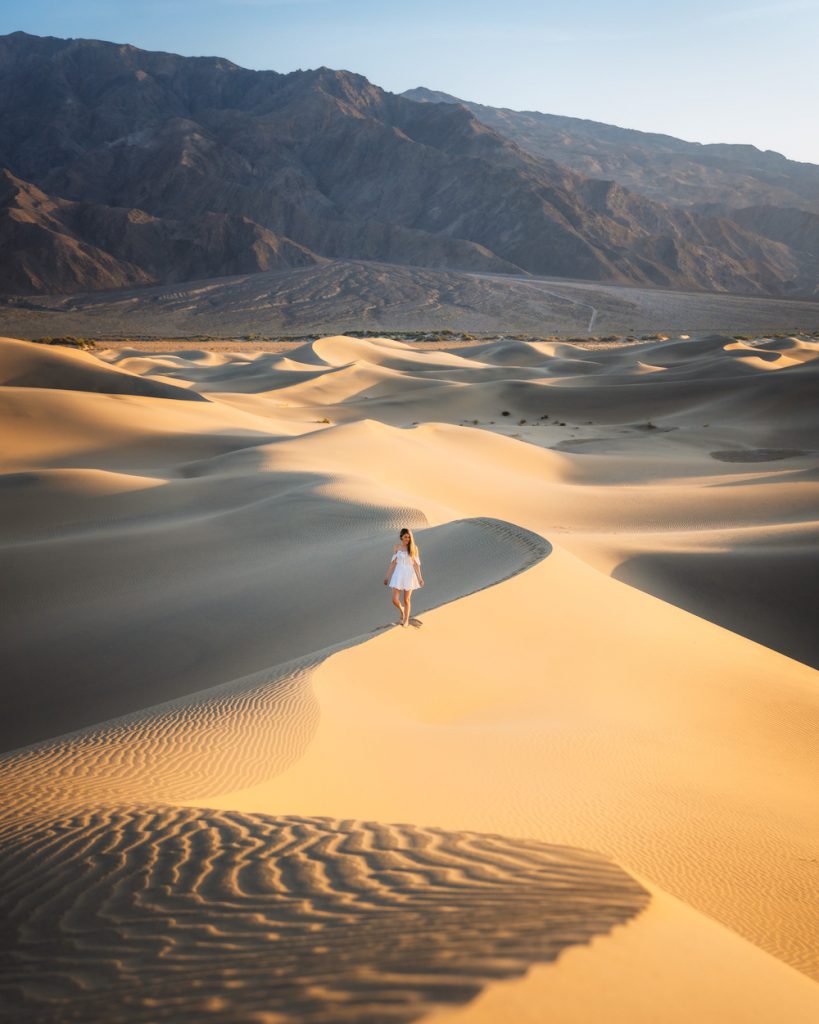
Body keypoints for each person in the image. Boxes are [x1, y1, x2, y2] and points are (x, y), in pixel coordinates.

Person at [384, 527, 424, 627]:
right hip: (398, 573)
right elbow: (393, 563)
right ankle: (402, 610)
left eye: (409, 537)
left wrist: (420, 578)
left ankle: (406, 620)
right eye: (405, 537)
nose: (407, 539)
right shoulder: (397, 547)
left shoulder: (414, 548)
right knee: (394, 599)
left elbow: (416, 564)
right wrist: (387, 576)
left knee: (406, 600)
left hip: (409, 574)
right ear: (401, 537)